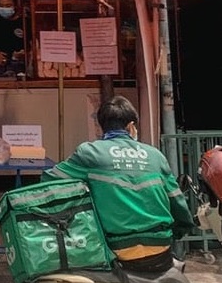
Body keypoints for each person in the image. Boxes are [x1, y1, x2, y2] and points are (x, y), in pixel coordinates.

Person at [43, 96, 195, 272]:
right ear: (131, 127)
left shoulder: (90, 152)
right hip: (161, 248)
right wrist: (177, 232)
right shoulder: (155, 156)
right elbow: (179, 208)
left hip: (115, 249)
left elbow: (49, 180)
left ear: (101, 127)